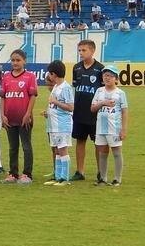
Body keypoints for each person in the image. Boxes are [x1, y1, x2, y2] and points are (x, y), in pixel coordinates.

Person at [1, 49, 37, 181]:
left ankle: (27, 174)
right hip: (9, 118)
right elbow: (3, 97)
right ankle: (13, 173)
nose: (15, 63)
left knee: (26, 146)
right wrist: (2, 115)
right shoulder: (6, 77)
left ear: (24, 61)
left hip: (24, 119)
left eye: (18, 60)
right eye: (13, 60)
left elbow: (33, 96)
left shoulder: (30, 77)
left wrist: (28, 114)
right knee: (12, 147)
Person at [71, 39, 104, 181]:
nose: (81, 53)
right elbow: (75, 87)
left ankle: (100, 172)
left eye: (84, 50)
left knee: (98, 142)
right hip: (79, 111)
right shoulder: (76, 68)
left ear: (92, 51)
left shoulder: (100, 69)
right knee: (80, 140)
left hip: (94, 113)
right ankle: (80, 171)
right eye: (79, 50)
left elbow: (103, 90)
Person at [91, 66, 128, 186]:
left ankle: (117, 179)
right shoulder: (99, 91)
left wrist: (123, 129)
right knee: (102, 152)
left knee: (116, 152)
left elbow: (124, 111)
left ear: (116, 79)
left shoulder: (120, 93)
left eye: (110, 76)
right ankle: (103, 178)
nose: (107, 78)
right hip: (101, 127)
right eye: (105, 75)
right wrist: (103, 103)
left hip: (114, 127)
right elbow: (92, 108)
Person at [41, 60, 74, 186]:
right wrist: (48, 112)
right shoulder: (56, 86)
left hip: (62, 125)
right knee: (57, 151)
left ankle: (64, 179)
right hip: (53, 124)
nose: (49, 76)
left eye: (49, 74)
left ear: (53, 74)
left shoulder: (66, 88)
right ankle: (58, 176)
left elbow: (71, 107)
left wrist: (56, 102)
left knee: (63, 150)